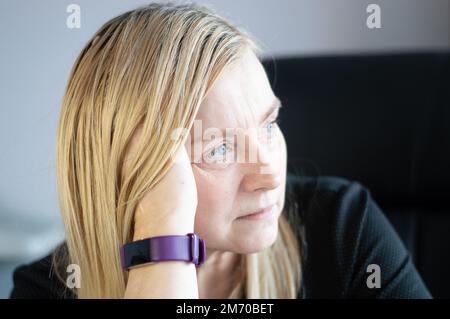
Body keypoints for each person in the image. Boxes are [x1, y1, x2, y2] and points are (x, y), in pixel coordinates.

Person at [10, 2, 431, 299]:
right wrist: (163, 242)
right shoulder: (49, 288)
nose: (269, 174)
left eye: (269, 125)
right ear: (131, 171)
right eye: (220, 149)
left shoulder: (343, 227)